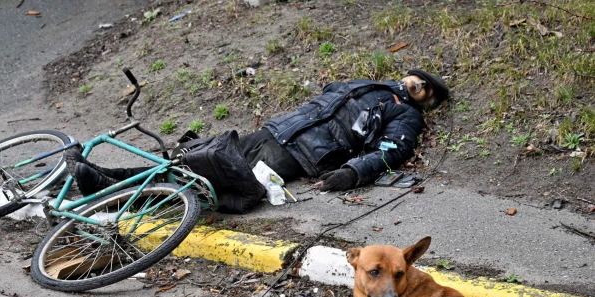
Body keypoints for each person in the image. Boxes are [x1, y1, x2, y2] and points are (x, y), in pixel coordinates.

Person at [68, 69, 449, 212]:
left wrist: (352, 172)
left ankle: (113, 192)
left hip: (299, 157)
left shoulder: (405, 114)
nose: (419, 83)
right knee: (192, 162)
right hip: (275, 132)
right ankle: (110, 176)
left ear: (426, 99)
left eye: (426, 87)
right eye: (418, 77)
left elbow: (393, 151)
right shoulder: (370, 84)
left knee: (212, 182)